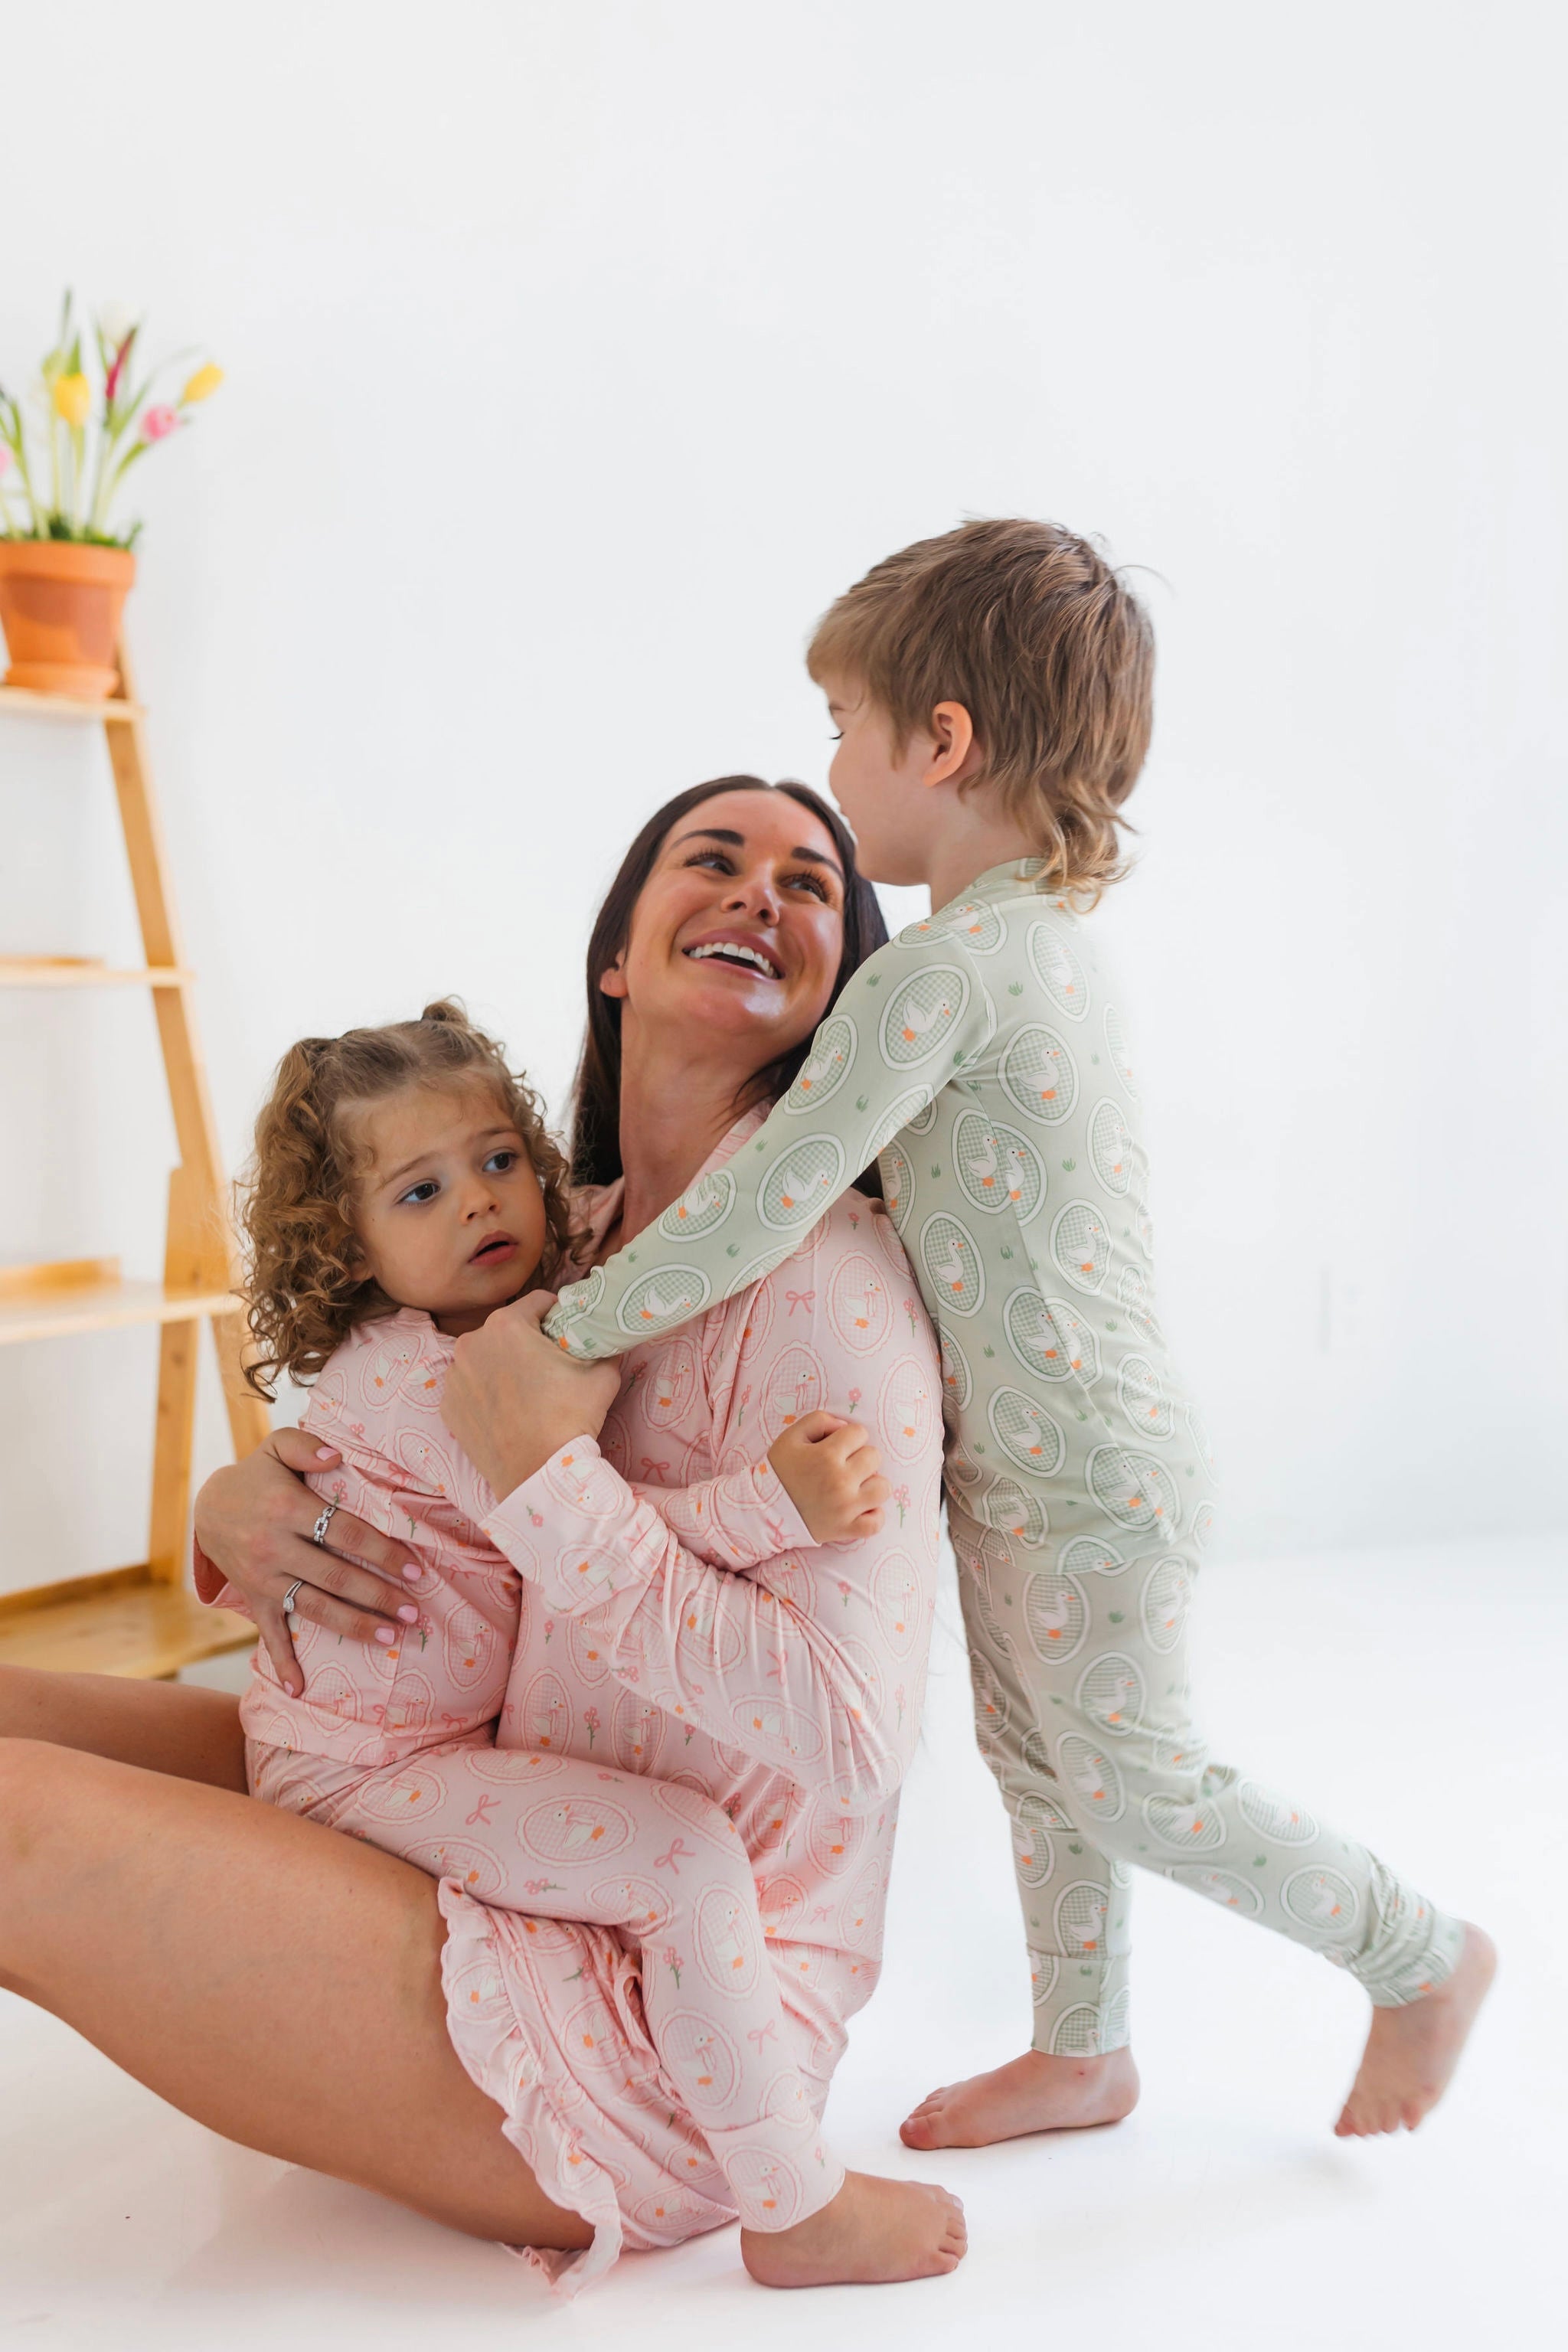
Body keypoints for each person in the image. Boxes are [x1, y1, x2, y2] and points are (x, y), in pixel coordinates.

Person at [537, 520, 1495, 2149]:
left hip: (1089, 1470)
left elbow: (771, 1193)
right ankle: (1082, 2051)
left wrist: (574, 1327)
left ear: (942, 742)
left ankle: (1418, 1955)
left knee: (1134, 1779)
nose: (838, 766)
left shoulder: (949, 973)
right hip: (1029, 1466)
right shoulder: (1040, 949)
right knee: (1038, 1768)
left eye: (844, 727)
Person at [0, 779, 964, 2294]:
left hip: (646, 2030)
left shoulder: (824, 1284)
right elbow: (407, 1443)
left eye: (810, 882)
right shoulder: (556, 1238)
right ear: (616, 956)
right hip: (467, 1793)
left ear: (843, 988)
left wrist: (564, 1483)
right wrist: (237, 1507)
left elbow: (852, 1736)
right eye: (714, 859)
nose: (758, 892)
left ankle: (792, 2204)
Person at [220, 994, 893, 2282]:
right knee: (686, 1859)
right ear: (347, 1244)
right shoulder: (420, 1382)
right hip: (357, 1770)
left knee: (678, 1855)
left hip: (412, 1744)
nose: (479, 1202)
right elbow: (581, 1520)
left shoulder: (519, 1307)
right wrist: (773, 1506)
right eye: (421, 1193)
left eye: (497, 1161)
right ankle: (793, 2205)